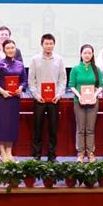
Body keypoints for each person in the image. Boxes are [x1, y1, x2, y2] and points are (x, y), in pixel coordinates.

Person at [28, 33, 67, 162]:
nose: (49, 46)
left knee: (53, 128)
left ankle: (52, 155)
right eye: (46, 43)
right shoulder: (35, 59)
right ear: (42, 44)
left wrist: (59, 94)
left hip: (54, 99)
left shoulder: (59, 59)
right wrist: (36, 95)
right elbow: (31, 80)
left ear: (54, 45)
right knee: (37, 128)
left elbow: (63, 79)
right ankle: (36, 155)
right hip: (39, 99)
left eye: (51, 43)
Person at [0, 39, 27, 162]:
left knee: (12, 124)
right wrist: (2, 91)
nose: (11, 50)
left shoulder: (20, 64)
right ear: (4, 50)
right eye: (8, 48)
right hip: (3, 99)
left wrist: (20, 88)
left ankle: (9, 152)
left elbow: (24, 80)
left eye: (12, 48)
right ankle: (2, 153)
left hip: (14, 99)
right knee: (2, 125)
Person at [68, 44, 103, 163]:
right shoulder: (75, 69)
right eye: (85, 53)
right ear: (81, 54)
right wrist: (79, 96)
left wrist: (94, 95)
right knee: (80, 129)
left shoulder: (97, 69)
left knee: (90, 129)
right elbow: (71, 85)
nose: (87, 55)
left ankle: (90, 153)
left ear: (92, 55)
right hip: (79, 102)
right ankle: (80, 153)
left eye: (89, 53)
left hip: (93, 102)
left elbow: (100, 85)